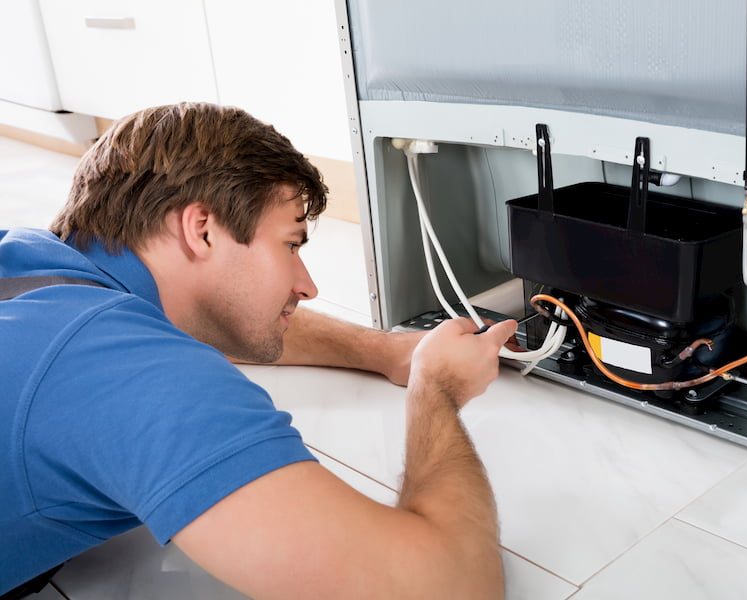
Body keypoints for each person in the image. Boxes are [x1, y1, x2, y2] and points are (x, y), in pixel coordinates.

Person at [0, 102, 517, 599]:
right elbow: (451, 587)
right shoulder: (127, 372)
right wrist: (436, 389)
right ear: (202, 230)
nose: (307, 286)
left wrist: (383, 351)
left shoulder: (34, 265)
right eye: (290, 244)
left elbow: (219, 315)